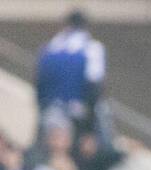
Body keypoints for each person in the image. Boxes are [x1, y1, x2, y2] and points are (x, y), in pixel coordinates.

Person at [35, 11, 107, 142]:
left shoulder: (49, 47)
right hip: (77, 113)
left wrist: (42, 108)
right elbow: (94, 85)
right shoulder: (91, 48)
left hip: (50, 110)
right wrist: (89, 127)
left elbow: (39, 83)